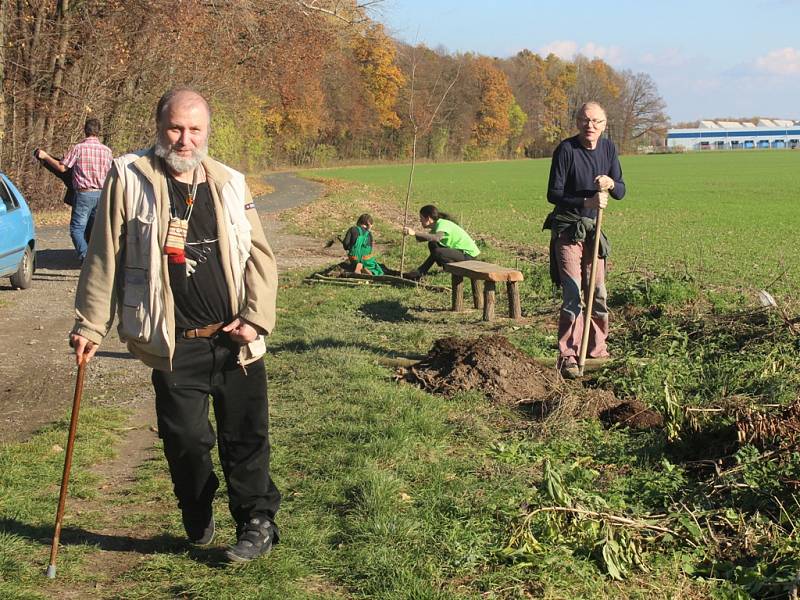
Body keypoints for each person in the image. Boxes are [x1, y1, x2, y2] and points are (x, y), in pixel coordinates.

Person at [69, 88, 281, 563]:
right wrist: (89, 324)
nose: (185, 140)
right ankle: (196, 505)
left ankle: (256, 521)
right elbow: (105, 255)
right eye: (175, 128)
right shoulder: (129, 177)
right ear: (159, 126)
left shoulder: (229, 182)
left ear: (207, 131)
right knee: (184, 439)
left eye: (195, 129)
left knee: (246, 435)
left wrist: (255, 319)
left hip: (234, 339)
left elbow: (260, 258)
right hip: (174, 341)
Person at [543, 101, 626, 379]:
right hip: (567, 229)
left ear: (604, 124)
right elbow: (553, 194)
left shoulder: (609, 149)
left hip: (593, 231)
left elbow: (622, 190)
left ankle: (597, 351)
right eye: (584, 120)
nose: (590, 125)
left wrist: (611, 184)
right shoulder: (566, 150)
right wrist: (586, 199)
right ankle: (568, 354)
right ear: (577, 122)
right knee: (573, 291)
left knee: (598, 292)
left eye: (596, 121)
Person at [35, 118, 112, 262]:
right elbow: (110, 174)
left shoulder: (78, 148)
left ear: (85, 130)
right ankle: (98, 258)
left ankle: (85, 257)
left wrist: (45, 156)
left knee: (76, 229)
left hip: (84, 194)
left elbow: (62, 168)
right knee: (96, 231)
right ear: (98, 132)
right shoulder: (107, 151)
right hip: (101, 194)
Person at [402, 204, 480, 280]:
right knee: (432, 244)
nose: (420, 220)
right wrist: (409, 233)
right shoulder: (437, 226)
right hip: (460, 252)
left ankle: (421, 272)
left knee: (437, 251)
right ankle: (421, 272)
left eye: (421, 218)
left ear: (428, 218)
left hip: (468, 255)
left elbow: (436, 238)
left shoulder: (442, 224)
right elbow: (423, 239)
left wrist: (415, 233)